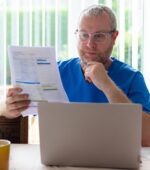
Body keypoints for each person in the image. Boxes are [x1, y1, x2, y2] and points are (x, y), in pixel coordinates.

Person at [0, 4, 150, 146]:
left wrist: (107, 85)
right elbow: (5, 108)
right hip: (61, 159)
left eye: (99, 36)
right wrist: (9, 107)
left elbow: (146, 138)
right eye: (84, 35)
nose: (90, 44)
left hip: (116, 161)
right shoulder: (55, 71)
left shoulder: (132, 78)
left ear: (114, 37)